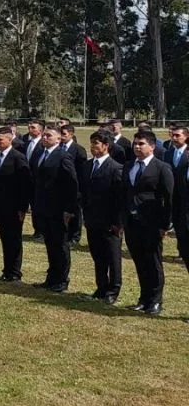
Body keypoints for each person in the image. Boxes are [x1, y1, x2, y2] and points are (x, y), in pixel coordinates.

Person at [123, 129, 173, 316]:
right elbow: (125, 193)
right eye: (135, 143)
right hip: (132, 222)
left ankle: (155, 301)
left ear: (152, 146)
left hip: (151, 223)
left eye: (141, 143)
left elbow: (168, 200)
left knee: (153, 263)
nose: (137, 146)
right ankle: (143, 299)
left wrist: (164, 225)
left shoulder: (161, 168)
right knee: (139, 261)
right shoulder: (129, 166)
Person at [33, 124, 78, 293]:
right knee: (50, 243)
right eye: (44, 135)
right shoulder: (40, 154)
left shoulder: (62, 156)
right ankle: (51, 277)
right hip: (43, 207)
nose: (45, 138)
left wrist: (69, 209)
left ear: (59, 139)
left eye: (49, 136)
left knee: (60, 244)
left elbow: (71, 184)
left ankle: (62, 279)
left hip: (58, 209)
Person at [80, 129, 124, 303]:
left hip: (110, 223)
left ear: (106, 146)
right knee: (98, 256)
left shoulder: (115, 168)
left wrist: (118, 222)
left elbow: (119, 198)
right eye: (91, 143)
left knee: (112, 258)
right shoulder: (88, 167)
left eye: (96, 144)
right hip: (92, 220)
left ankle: (113, 290)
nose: (92, 147)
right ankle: (101, 287)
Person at [0, 125, 31, 282]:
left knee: (14, 239)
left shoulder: (18, 157)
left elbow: (25, 185)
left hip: (14, 207)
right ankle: (6, 270)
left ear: (10, 139)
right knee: (5, 239)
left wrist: (22, 207)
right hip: (0, 206)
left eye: (0, 140)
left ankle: (14, 272)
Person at [59, 122, 87, 245]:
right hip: (60, 186)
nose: (61, 136)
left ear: (71, 134)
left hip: (74, 187)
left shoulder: (79, 150)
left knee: (75, 213)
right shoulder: (58, 147)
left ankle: (74, 237)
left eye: (64, 134)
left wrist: (79, 190)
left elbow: (81, 172)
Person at [166, 124, 189, 264]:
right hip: (174, 197)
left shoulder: (188, 153)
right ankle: (182, 250)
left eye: (177, 135)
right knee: (179, 226)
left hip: (186, 197)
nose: (174, 138)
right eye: (172, 135)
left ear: (186, 137)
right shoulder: (168, 153)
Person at [22, 120, 45, 240]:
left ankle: (42, 230)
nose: (30, 129)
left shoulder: (43, 144)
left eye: (33, 128)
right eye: (29, 127)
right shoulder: (26, 142)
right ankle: (37, 229)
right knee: (32, 206)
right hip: (28, 180)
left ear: (40, 130)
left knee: (39, 206)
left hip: (39, 181)